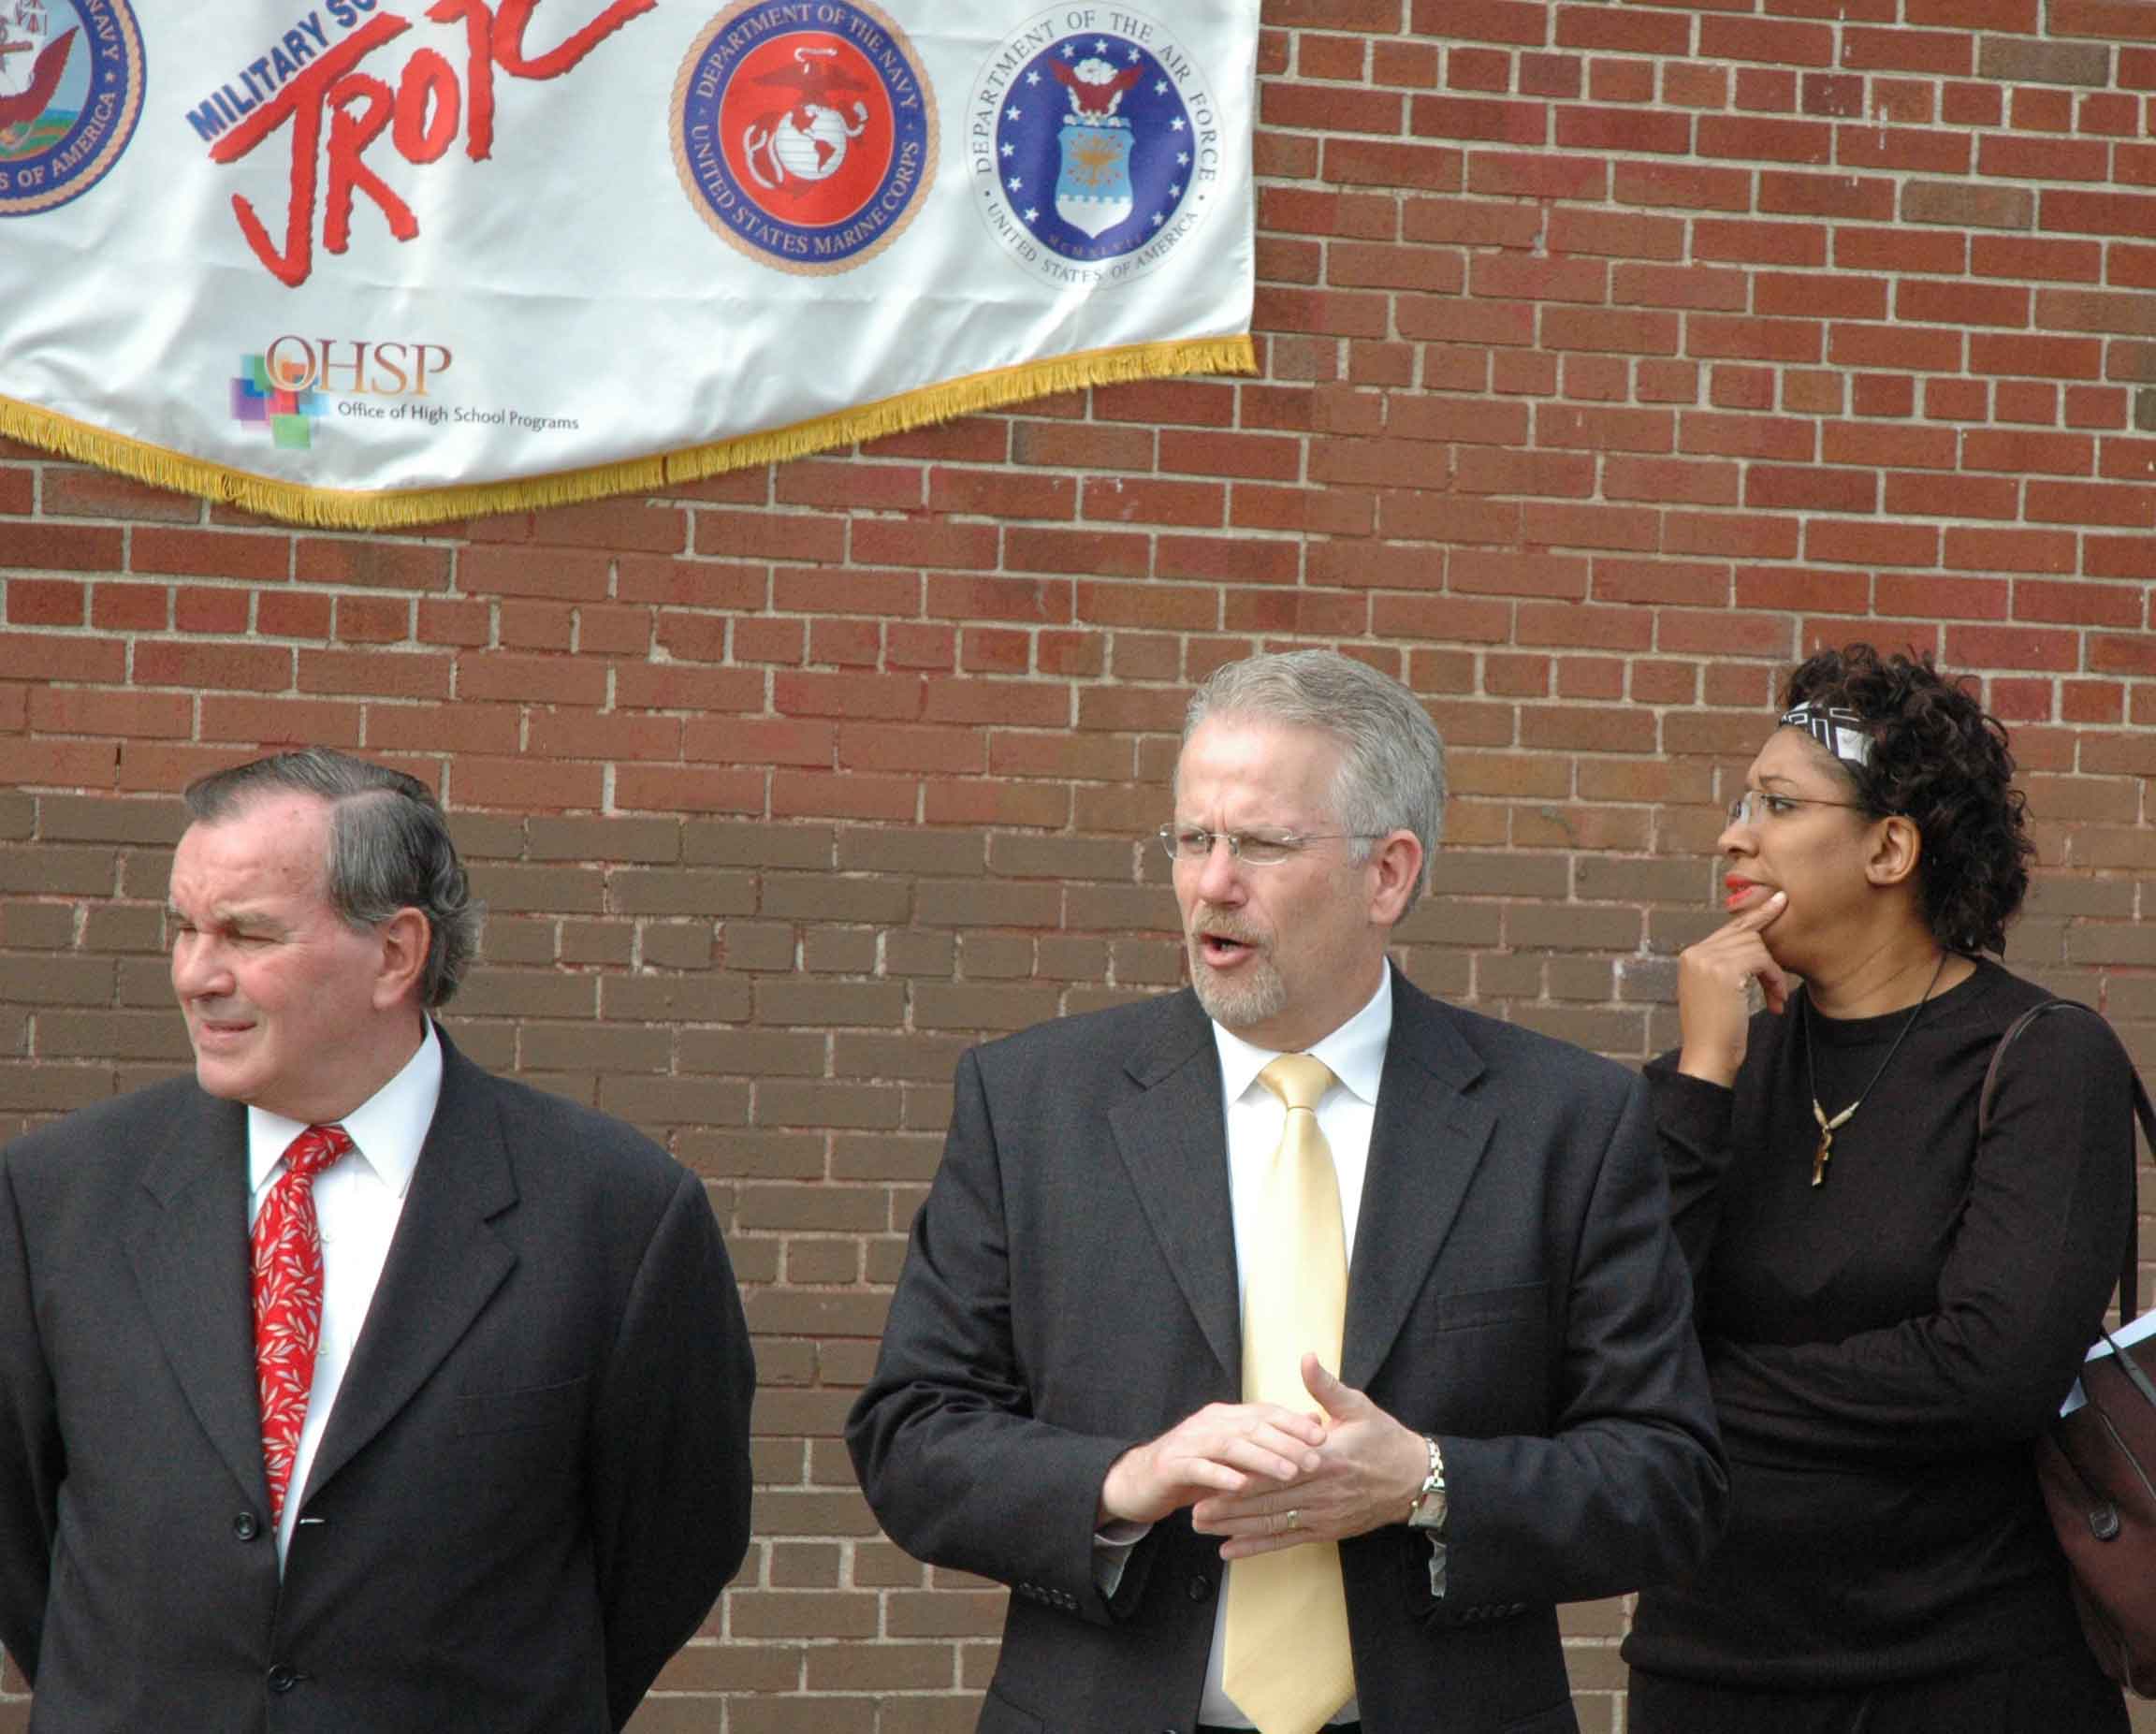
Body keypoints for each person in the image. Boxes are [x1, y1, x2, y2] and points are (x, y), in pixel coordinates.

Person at [848, 648, 1726, 1734]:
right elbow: (912, 1432)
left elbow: (1667, 1475)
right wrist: (1125, 1477)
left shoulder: (1563, 1121)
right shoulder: (1033, 1102)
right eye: (1193, 838)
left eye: (1261, 843)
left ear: (1388, 873)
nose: (1213, 880)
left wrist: (1429, 1480)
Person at [0, 749, 755, 1731]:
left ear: (396, 953)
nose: (196, 972)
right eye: (183, 927)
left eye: (246, 933)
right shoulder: (58, 1193)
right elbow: (19, 1527)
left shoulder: (619, 1214)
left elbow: (671, 1542)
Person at [1624, 645, 2135, 1732]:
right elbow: (1617, 1349)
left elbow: (1989, 1372)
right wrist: (1704, 1078)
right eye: (1739, 800)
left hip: (1969, 1673)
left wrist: (1706, 1392)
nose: (1733, 831)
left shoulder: (2042, 1058)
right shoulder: (1714, 1075)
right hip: (1709, 1667)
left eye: (1776, 801)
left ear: (1891, 846)